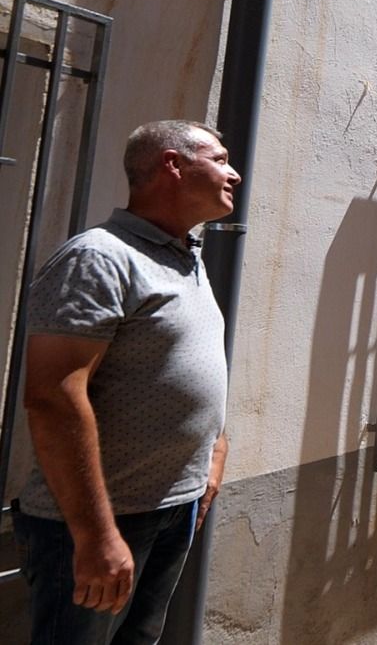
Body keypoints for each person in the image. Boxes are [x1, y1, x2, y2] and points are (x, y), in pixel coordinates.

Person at [14, 120, 240, 645]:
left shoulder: (186, 258)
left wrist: (214, 451)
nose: (235, 174)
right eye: (221, 159)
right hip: (96, 525)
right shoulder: (99, 257)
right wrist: (94, 535)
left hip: (172, 510)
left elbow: (188, 364)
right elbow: (53, 398)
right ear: (173, 165)